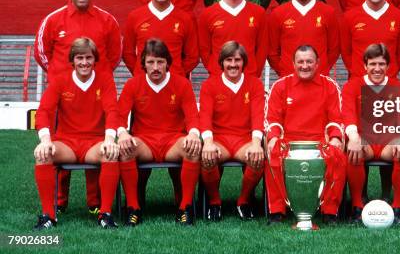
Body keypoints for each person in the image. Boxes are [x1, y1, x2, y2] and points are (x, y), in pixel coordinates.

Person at [34, 0, 121, 216]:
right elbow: (41, 53)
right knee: (60, 142)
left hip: (96, 89)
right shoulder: (53, 20)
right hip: (63, 92)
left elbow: (114, 54)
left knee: (97, 140)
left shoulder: (107, 20)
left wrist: (96, 75)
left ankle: (95, 202)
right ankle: (59, 201)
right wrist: (59, 74)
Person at [33, 37, 120, 229]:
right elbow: (44, 111)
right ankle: (48, 215)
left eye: (88, 58)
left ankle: (105, 214)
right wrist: (45, 140)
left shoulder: (105, 79)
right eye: (79, 58)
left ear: (94, 59)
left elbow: (112, 110)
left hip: (94, 143)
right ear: (72, 60)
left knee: (111, 153)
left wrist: (109, 139)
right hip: (67, 143)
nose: (84, 62)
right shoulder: (60, 81)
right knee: (43, 154)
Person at [116, 39, 202, 225]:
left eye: (160, 62)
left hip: (173, 140)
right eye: (150, 62)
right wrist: (123, 133)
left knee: (194, 147)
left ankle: (185, 207)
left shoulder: (182, 84)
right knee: (124, 149)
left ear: (167, 63)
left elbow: (192, 116)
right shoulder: (133, 84)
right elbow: (119, 116)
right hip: (145, 141)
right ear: (144, 64)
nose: (155, 67)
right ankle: (133, 207)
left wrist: (194, 133)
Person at [264, 45, 346, 225]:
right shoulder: (280, 86)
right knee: (273, 153)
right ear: (293, 63)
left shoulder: (329, 85)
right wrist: (274, 137)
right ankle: (277, 211)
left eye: (309, 61)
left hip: (320, 144)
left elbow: (336, 117)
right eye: (300, 62)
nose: (305, 66)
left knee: (338, 156)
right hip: (289, 143)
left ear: (317, 63)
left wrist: (335, 137)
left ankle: (329, 211)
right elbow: (272, 119)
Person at [342, 43, 400, 224]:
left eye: (381, 64)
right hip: (366, 139)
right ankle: (357, 207)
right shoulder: (352, 86)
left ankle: (397, 208)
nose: (377, 69)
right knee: (353, 151)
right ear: (365, 65)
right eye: (372, 64)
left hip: (389, 140)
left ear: (388, 66)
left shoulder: (399, 86)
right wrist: (354, 137)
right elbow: (348, 115)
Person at [199, 41, 266, 221]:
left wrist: (256, 143)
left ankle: (243, 202)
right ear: (222, 62)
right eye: (229, 60)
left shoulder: (255, 84)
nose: (233, 64)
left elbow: (258, 116)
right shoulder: (209, 85)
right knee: (207, 157)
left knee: (257, 157)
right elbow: (204, 116)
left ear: (244, 62)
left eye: (237, 60)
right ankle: (214, 203)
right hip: (219, 139)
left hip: (244, 139)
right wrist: (208, 143)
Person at [124, 0, 199, 78]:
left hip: (175, 87)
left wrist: (177, 76)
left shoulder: (185, 18)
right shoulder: (135, 17)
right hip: (144, 86)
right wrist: (141, 75)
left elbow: (193, 57)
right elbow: (128, 53)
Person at [267, 0, 339, 77]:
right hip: (289, 80)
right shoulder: (278, 13)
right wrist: (285, 72)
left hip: (319, 80)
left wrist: (321, 71)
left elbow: (334, 50)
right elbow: (272, 53)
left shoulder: (328, 12)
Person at [198, 0, 267, 78]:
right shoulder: (208, 14)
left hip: (249, 77)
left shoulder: (258, 12)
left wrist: (254, 73)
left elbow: (262, 48)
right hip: (219, 78)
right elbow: (204, 50)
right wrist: (215, 71)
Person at [340, 0, 400, 79]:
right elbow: (346, 53)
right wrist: (358, 74)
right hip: (359, 82)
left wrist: (390, 74)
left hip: (388, 84)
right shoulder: (349, 17)